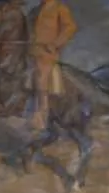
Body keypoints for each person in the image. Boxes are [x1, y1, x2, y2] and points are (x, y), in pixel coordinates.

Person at [28, 0, 77, 130]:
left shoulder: (59, 8)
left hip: (47, 54)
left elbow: (70, 27)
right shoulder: (35, 11)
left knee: (41, 78)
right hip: (31, 52)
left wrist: (55, 44)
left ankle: (42, 115)